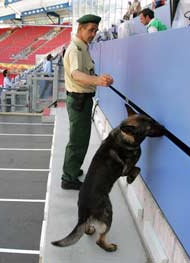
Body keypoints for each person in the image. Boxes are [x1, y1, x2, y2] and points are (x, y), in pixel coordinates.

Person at [62, 14, 114, 190]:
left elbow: (86, 72)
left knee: (80, 138)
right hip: (79, 100)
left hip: (82, 100)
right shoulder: (76, 49)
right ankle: (68, 178)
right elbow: (76, 74)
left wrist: (99, 79)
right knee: (78, 140)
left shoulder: (83, 47)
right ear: (80, 28)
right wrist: (98, 81)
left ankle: (72, 169)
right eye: (90, 30)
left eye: (95, 30)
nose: (93, 34)